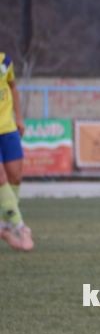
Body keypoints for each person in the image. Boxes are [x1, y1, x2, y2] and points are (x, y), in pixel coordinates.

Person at [0, 52, 33, 251]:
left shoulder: (4, 61)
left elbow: (12, 87)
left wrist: (19, 118)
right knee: (1, 178)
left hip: (8, 129)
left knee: (15, 177)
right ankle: (21, 227)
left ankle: (4, 226)